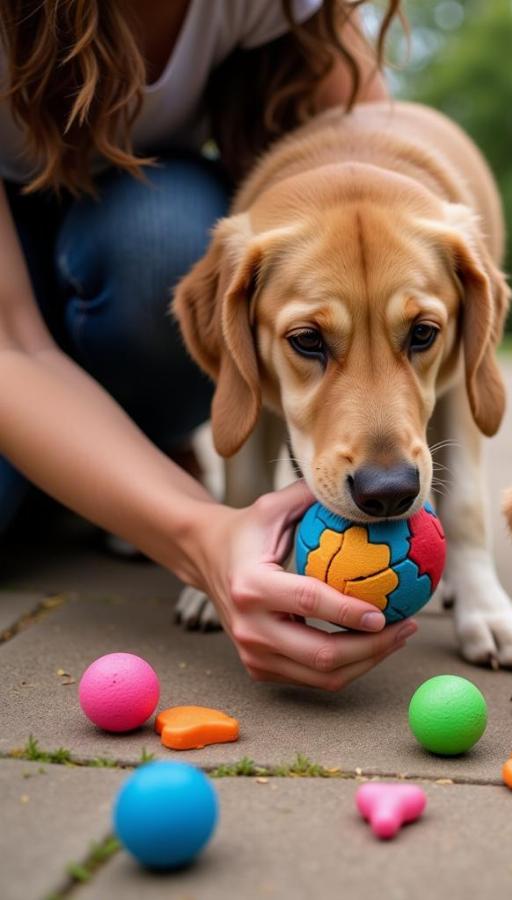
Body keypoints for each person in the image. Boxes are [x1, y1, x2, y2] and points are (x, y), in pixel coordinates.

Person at [0, 0, 417, 689]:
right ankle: (92, 476)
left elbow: (374, 171)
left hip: (133, 228)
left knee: (166, 239)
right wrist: (202, 537)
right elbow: (12, 344)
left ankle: (114, 461)